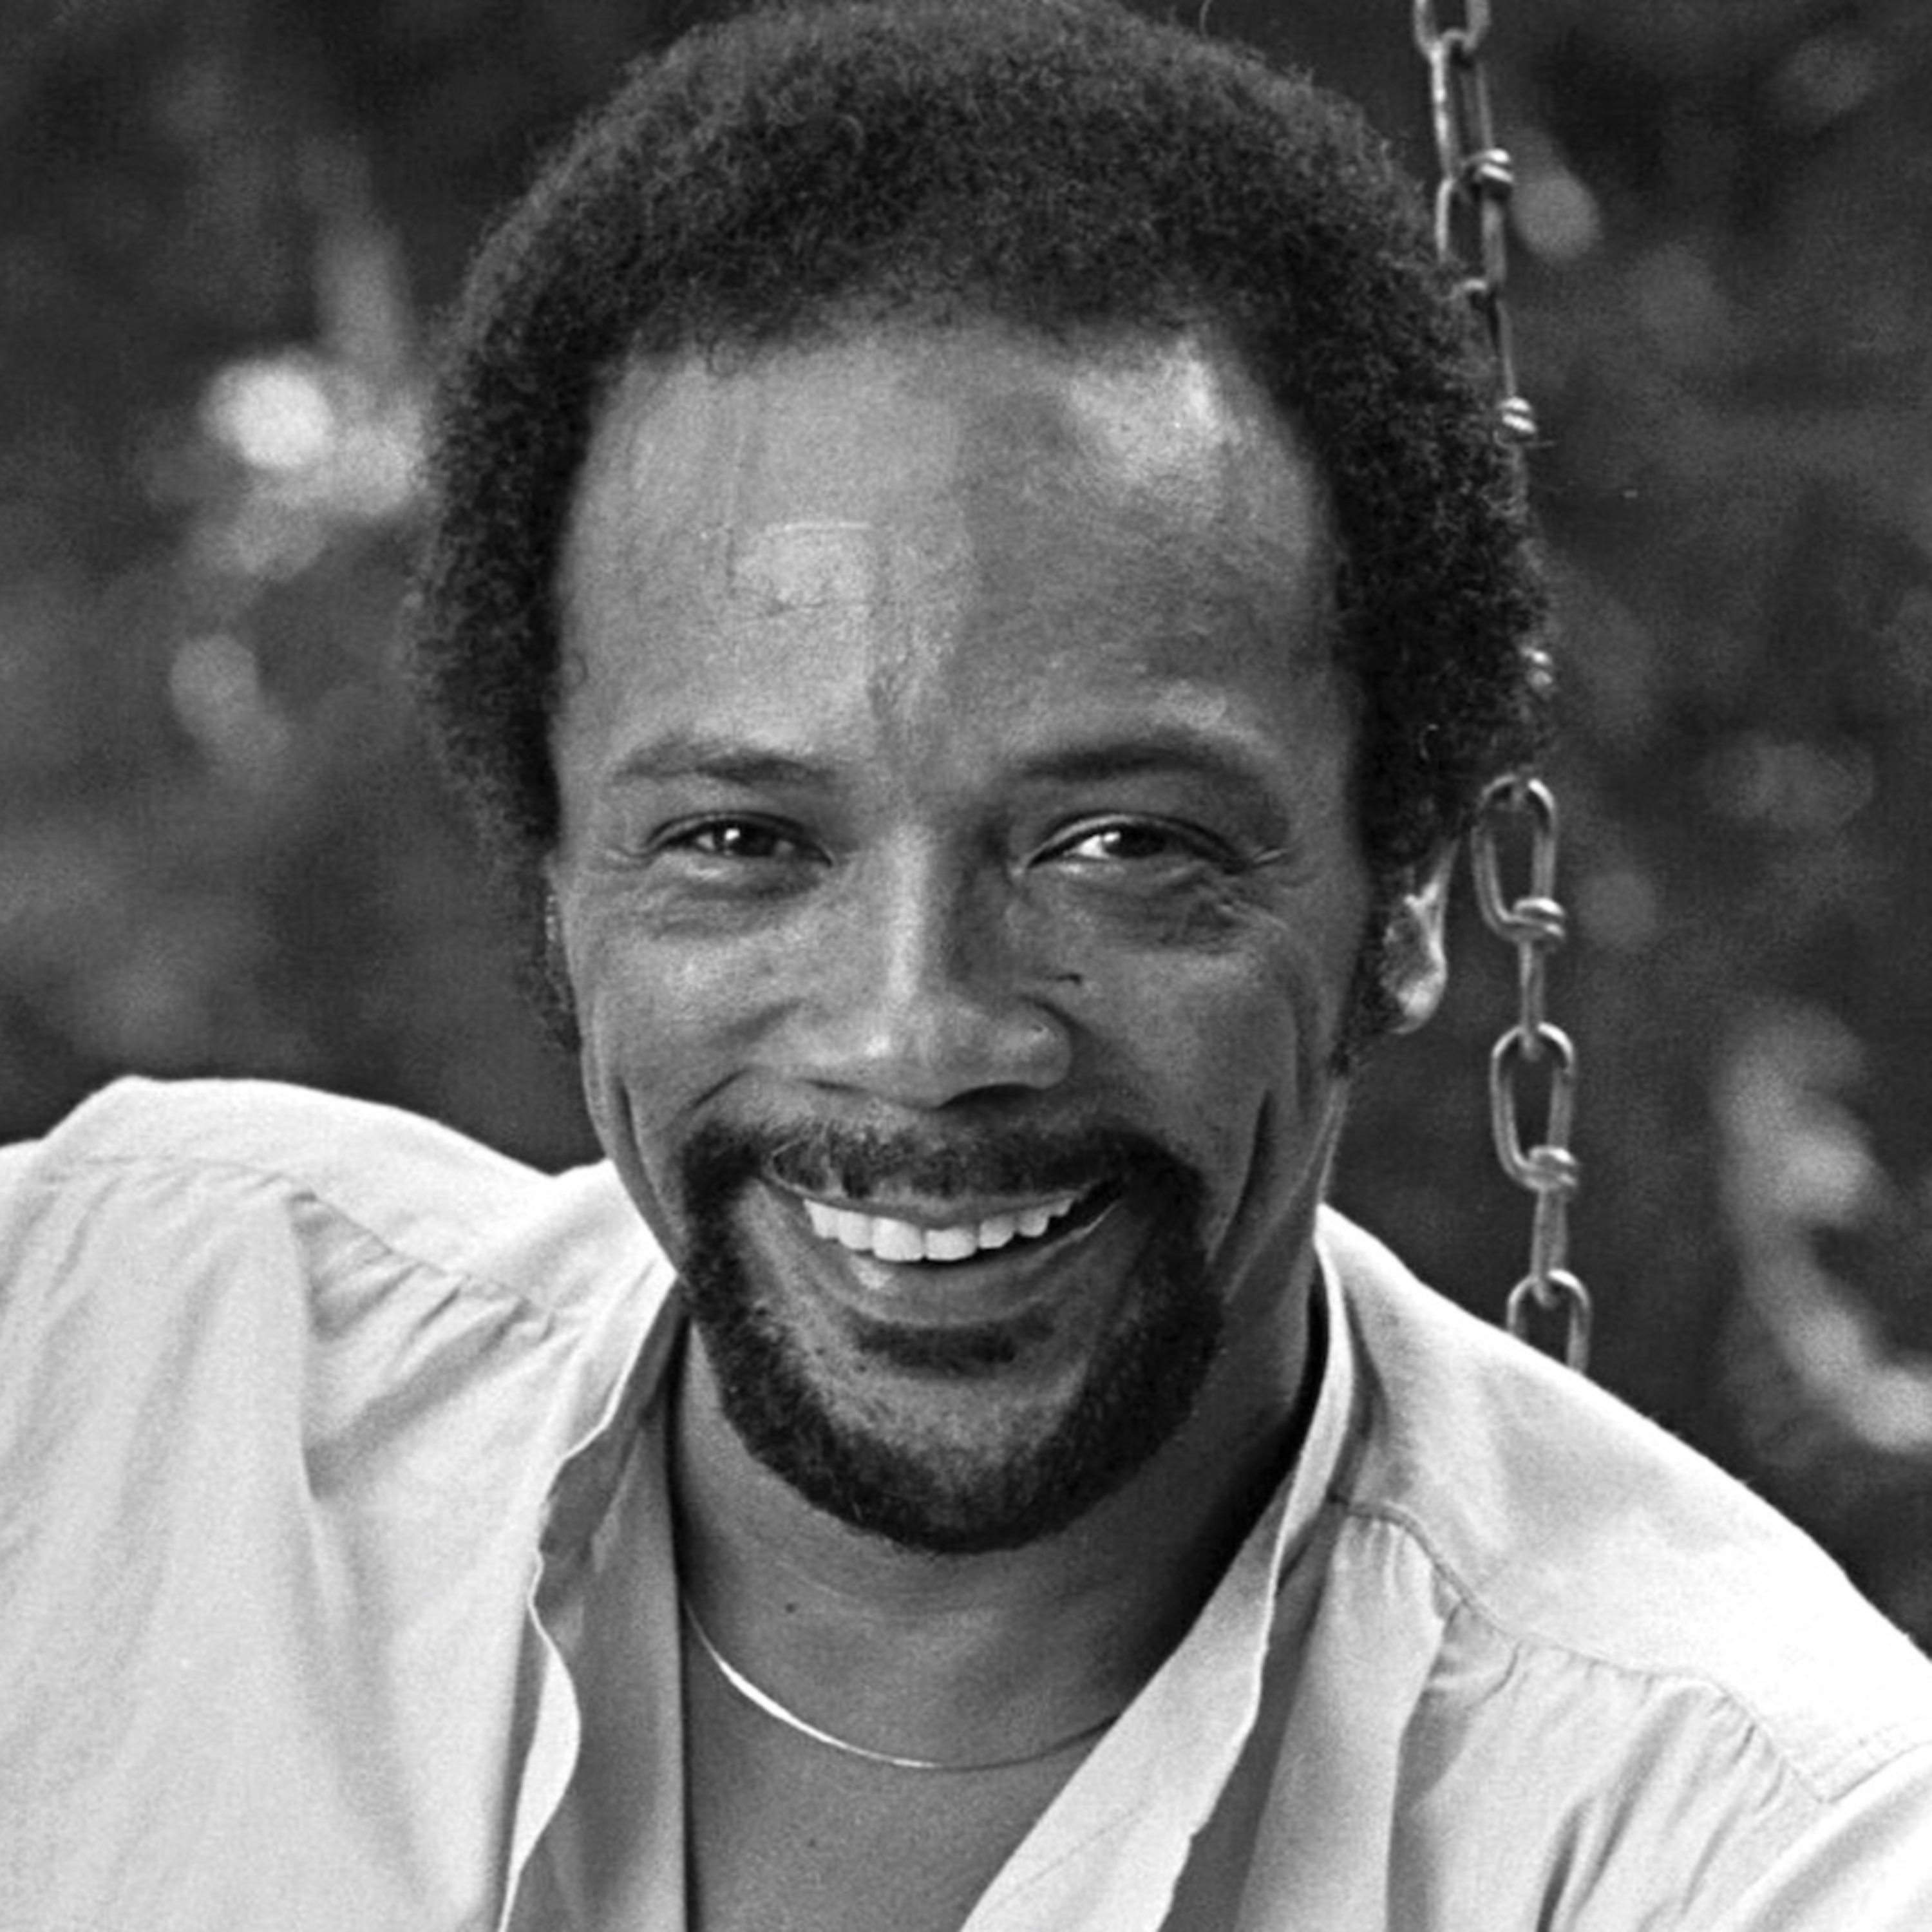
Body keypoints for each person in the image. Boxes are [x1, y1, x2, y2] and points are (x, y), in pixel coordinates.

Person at [3, 1, 1929, 1927]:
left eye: (1123, 846)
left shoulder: (1755, 1846)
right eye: (743, 843)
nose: (919, 1033)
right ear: (560, 880)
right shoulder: (107, 1377)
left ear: (1408, 886)